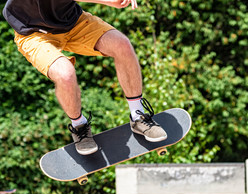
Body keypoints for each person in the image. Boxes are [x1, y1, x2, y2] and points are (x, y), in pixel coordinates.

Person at [2, 0, 167, 155]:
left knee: (122, 45)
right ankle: (79, 127)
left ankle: (138, 116)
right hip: (32, 33)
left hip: (72, 22)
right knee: (65, 74)